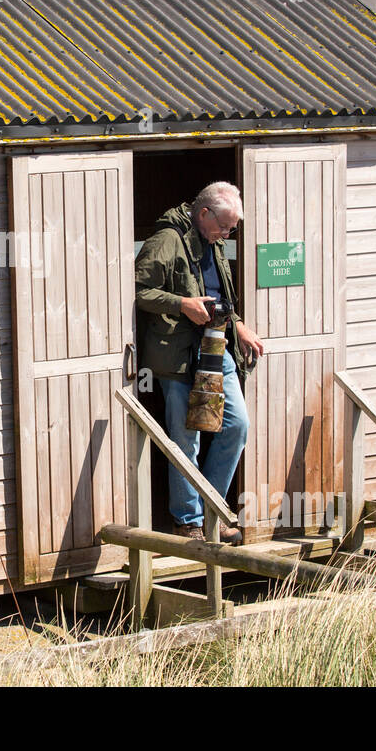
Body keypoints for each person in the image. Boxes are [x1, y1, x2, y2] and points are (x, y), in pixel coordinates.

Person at [134, 181, 265, 544]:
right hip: (177, 355)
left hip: (214, 346)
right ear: (203, 213)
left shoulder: (213, 241)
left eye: (232, 228)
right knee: (185, 438)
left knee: (236, 425)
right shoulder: (166, 241)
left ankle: (212, 509)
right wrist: (181, 305)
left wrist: (239, 325)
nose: (227, 233)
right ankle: (189, 521)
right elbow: (136, 289)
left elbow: (222, 296)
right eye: (224, 225)